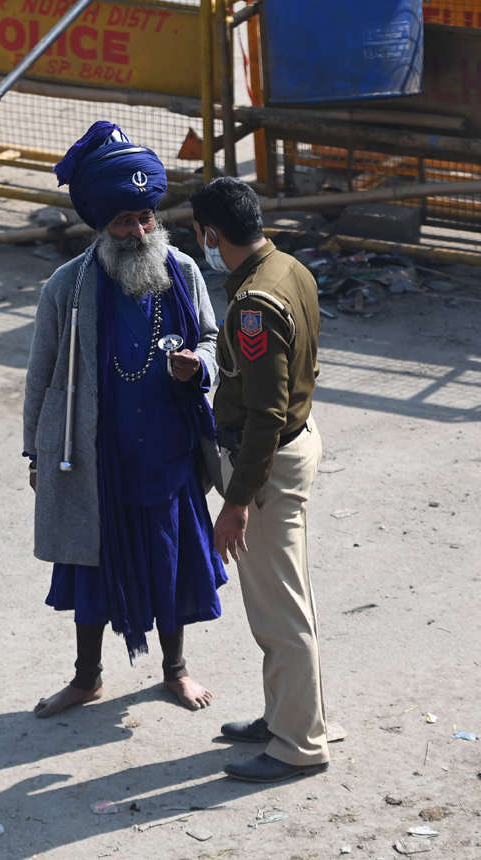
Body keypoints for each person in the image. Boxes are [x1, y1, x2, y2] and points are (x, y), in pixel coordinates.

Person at [23, 122, 226, 718]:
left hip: (167, 452)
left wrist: (201, 364)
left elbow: (215, 339)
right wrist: (36, 454)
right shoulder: (69, 285)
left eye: (145, 218)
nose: (137, 231)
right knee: (92, 567)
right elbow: (40, 376)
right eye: (123, 221)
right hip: (94, 455)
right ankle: (87, 678)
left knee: (171, 561)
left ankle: (175, 670)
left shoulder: (182, 272)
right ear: (99, 223)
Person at [191, 177, 329, 782]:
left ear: (212, 234)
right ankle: (291, 716)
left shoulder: (253, 304)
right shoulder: (290, 268)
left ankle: (299, 744)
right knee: (290, 598)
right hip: (294, 445)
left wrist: (238, 501)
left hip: (267, 464)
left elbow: (266, 412)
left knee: (279, 611)